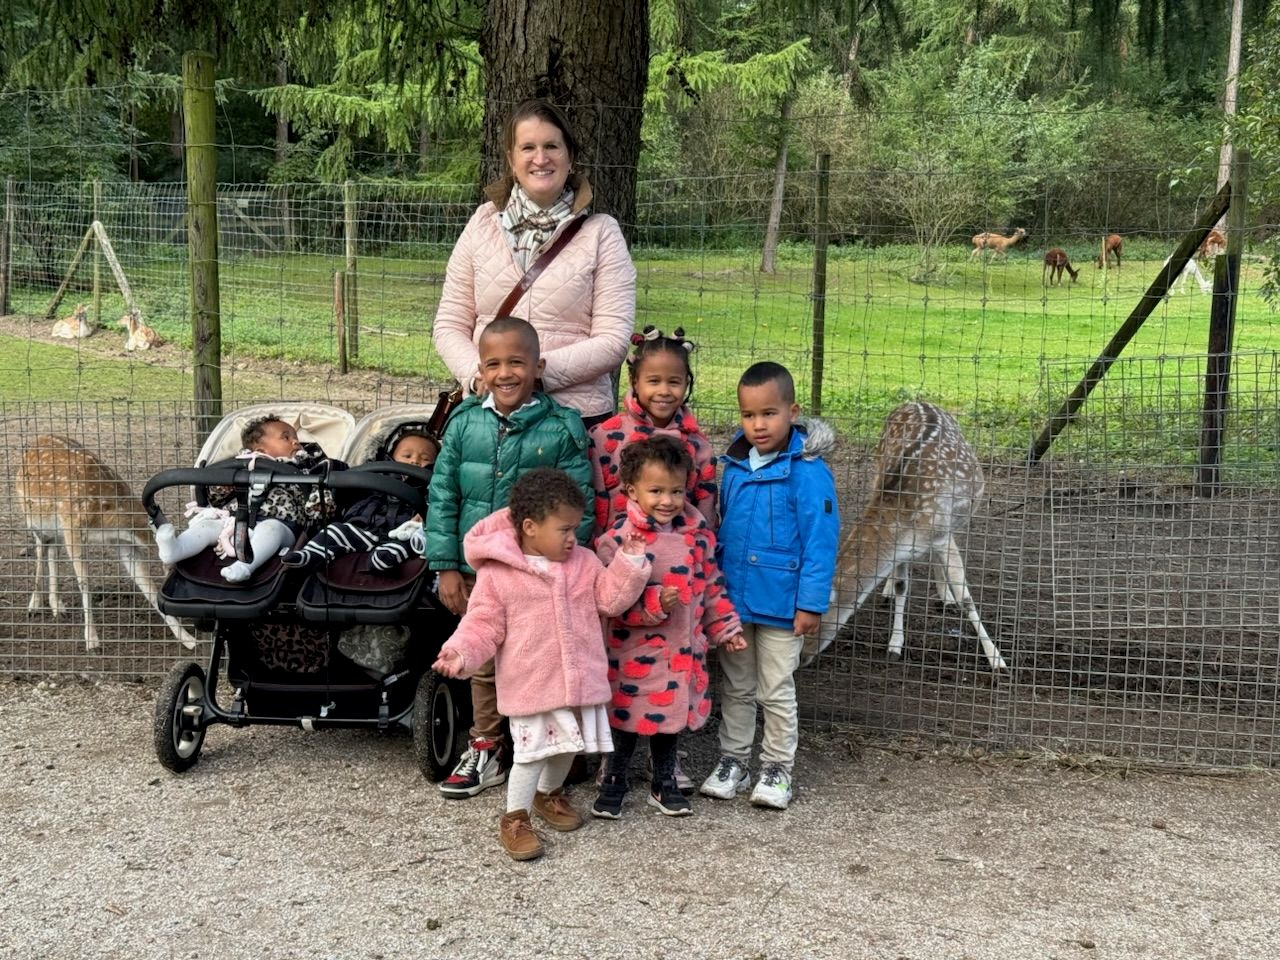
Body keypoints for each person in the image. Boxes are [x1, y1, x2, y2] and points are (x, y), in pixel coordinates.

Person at [431, 469, 651, 861]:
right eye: (564, 529)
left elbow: (610, 600)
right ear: (530, 527)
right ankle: (515, 817)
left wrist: (629, 562)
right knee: (531, 754)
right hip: (532, 684)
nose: (572, 538)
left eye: (575, 529)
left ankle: (549, 794)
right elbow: (482, 624)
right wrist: (460, 652)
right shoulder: (498, 574)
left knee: (567, 747)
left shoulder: (583, 563)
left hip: (577, 681)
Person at [426, 316, 594, 799]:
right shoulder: (464, 423)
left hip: (538, 577)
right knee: (483, 662)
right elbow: (443, 496)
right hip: (478, 572)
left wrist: (557, 566)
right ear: (479, 370)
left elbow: (580, 505)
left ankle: (550, 750)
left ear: (538, 367)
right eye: (493, 364)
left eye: (516, 362)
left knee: (541, 660)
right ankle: (487, 747)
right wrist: (446, 565)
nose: (505, 373)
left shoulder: (561, 428)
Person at [433, 98, 634, 428]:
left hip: (572, 419)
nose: (540, 159)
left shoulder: (601, 233)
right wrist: (480, 376)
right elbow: (449, 323)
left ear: (570, 157)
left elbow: (612, 340)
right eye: (528, 148)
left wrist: (531, 375)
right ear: (512, 160)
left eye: (551, 146)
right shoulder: (482, 224)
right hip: (488, 416)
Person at [700, 362, 839, 811]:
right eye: (748, 415)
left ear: (792, 413)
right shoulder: (735, 467)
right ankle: (733, 759)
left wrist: (811, 603)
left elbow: (821, 542)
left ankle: (777, 767)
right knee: (737, 685)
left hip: (782, 603)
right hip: (736, 601)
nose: (758, 425)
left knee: (775, 688)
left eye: (769, 414)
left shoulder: (809, 472)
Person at [592, 437, 745, 820]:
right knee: (626, 717)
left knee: (668, 719)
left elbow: (712, 587)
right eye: (656, 491)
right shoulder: (617, 540)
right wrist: (653, 603)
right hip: (632, 649)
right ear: (632, 490)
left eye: (676, 491)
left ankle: (663, 781)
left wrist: (726, 627)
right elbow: (608, 598)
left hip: (680, 649)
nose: (667, 500)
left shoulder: (698, 539)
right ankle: (615, 778)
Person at [154, 416, 340, 583]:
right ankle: (175, 549)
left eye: (295, 437)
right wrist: (227, 482)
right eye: (286, 437)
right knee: (206, 526)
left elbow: (322, 505)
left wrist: (317, 498)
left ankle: (244, 567)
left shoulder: (305, 466)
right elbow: (216, 498)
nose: (296, 442)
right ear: (260, 449)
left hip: (284, 526)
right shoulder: (241, 465)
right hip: (236, 522)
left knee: (270, 529)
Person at [588, 325, 718, 538]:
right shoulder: (604, 437)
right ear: (634, 381)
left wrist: (704, 548)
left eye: (673, 382)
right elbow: (594, 501)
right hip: (615, 550)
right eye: (654, 381)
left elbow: (706, 511)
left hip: (677, 552)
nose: (664, 391)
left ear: (686, 383)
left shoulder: (698, 445)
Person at [280, 425, 439, 572]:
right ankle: (311, 553)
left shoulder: (433, 485)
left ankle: (387, 555)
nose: (414, 461)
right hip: (363, 528)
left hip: (402, 531)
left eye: (425, 459)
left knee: (417, 538)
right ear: (389, 456)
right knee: (335, 530)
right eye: (407, 455)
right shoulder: (372, 474)